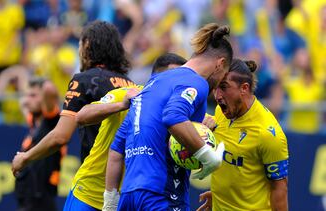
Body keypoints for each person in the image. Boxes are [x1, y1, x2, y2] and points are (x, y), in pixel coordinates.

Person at [105, 23, 233, 211]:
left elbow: (117, 148)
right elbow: (173, 116)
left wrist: (110, 204)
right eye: (223, 75)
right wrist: (207, 156)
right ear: (220, 64)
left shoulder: (152, 83)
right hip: (162, 194)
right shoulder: (196, 82)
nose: (219, 85)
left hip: (129, 195)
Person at [64, 53, 187, 211]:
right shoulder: (127, 94)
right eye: (175, 78)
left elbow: (205, 124)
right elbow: (81, 116)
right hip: (89, 193)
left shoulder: (179, 108)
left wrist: (208, 123)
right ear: (157, 77)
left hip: (127, 200)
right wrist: (121, 105)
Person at [11, 20, 134, 175]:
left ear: (87, 45)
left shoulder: (84, 81)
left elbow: (60, 137)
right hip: (127, 178)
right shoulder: (130, 84)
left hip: (94, 179)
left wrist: (25, 157)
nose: (79, 51)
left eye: (79, 45)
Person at [198, 59, 289, 211]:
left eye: (224, 87)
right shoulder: (222, 111)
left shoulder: (267, 134)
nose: (217, 95)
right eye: (216, 87)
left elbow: (279, 190)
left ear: (244, 88)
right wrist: (219, 194)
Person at [14, 78, 64, 211]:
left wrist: (44, 88)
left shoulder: (52, 121)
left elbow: (50, 90)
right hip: (27, 198)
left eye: (33, 95)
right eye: (27, 95)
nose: (28, 99)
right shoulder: (34, 122)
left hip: (41, 198)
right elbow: (23, 105)